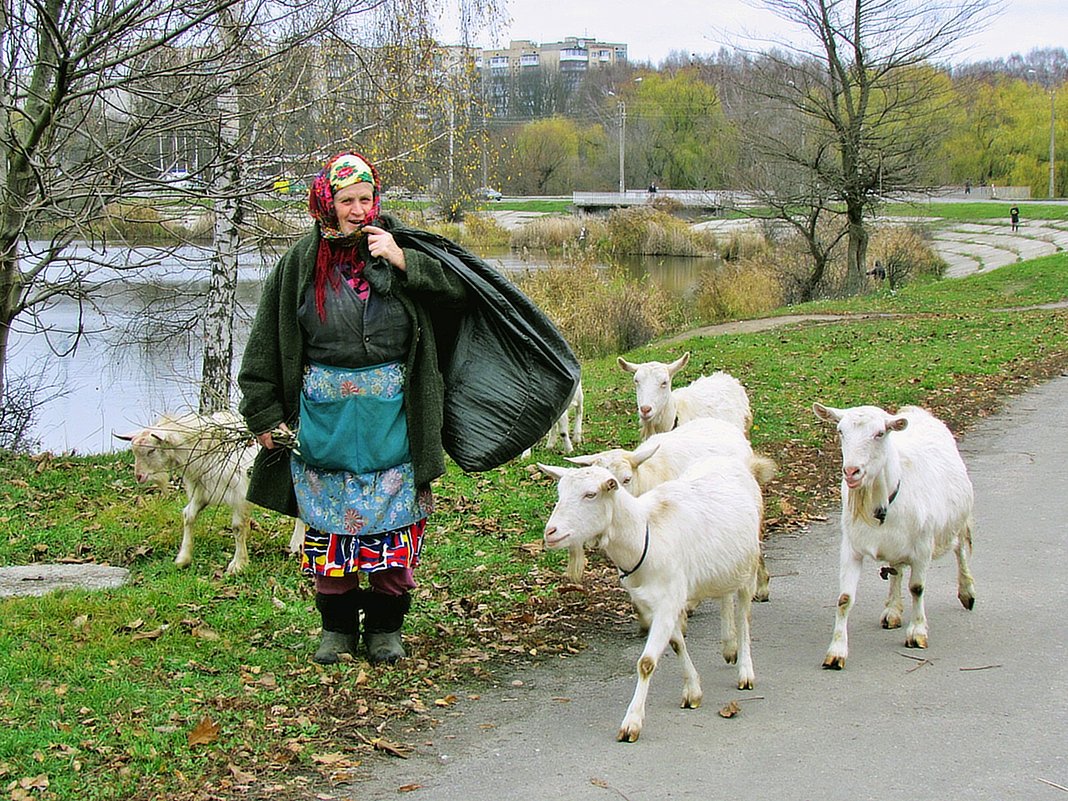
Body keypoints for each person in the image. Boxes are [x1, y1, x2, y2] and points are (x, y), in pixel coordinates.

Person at [238, 152, 470, 666]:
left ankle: (386, 629)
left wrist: (404, 260)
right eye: (347, 201)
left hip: (395, 421)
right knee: (329, 536)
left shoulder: (401, 247)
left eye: (366, 199)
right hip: (325, 424)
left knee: (395, 531)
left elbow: (459, 296)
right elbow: (262, 351)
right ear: (328, 203)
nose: (359, 210)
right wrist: (263, 415)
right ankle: (338, 631)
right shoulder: (299, 265)